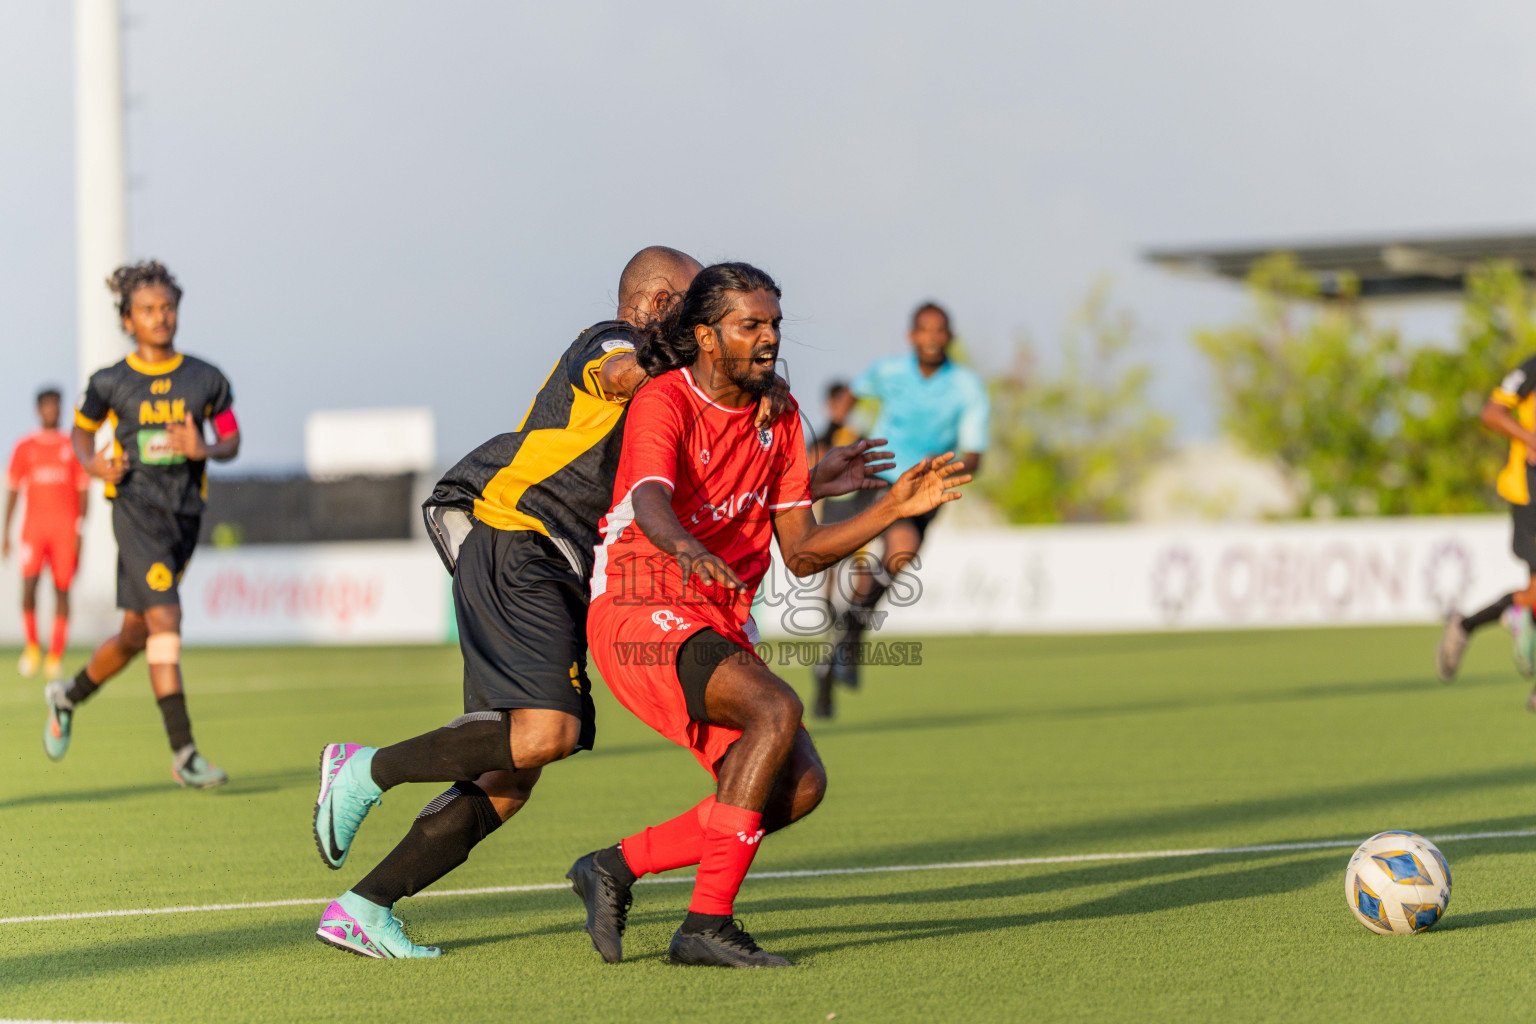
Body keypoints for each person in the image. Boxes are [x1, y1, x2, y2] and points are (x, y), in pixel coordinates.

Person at [309, 247, 889, 959]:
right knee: (547, 730)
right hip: (517, 528)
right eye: (690, 301)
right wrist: (690, 363)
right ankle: (364, 769)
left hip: (563, 559)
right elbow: (622, 372)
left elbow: (710, 481)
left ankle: (364, 905)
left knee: (513, 772)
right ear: (653, 307)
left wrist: (800, 474)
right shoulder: (611, 343)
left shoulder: (694, 396)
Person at [569, 262, 968, 968]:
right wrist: (687, 551)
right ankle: (705, 926)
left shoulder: (778, 419)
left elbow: (806, 552)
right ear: (705, 335)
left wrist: (890, 508)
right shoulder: (665, 400)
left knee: (799, 787)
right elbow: (652, 502)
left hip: (714, 615)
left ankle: (614, 866)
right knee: (776, 711)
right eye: (750, 325)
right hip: (639, 605)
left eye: (774, 325)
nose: (768, 338)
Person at [45, 261, 240, 787]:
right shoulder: (109, 383)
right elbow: (81, 437)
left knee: (136, 633)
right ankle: (185, 754)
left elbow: (231, 438)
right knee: (166, 619)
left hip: (184, 520)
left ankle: (67, 696)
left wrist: (207, 446)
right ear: (127, 320)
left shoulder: (206, 378)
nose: (161, 317)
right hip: (134, 513)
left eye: (168, 308)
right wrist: (92, 464)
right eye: (148, 310)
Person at [812, 301, 989, 716]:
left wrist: (947, 472)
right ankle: (843, 643)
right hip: (881, 474)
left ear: (949, 337)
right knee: (843, 560)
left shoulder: (967, 387)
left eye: (939, 330)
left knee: (900, 554)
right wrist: (839, 424)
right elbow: (850, 396)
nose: (931, 338)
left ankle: (844, 644)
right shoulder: (890, 371)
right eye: (923, 330)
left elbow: (975, 455)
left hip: (925, 486)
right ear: (912, 336)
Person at [1439, 353, 1536, 701]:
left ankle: (1471, 624)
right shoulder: (1531, 369)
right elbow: (1491, 413)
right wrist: (1529, 438)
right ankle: (1466, 625)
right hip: (1529, 492)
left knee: (1535, 597)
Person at [5, 387, 90, 680]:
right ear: (38, 409)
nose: (51, 410)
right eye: (46, 405)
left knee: (62, 590)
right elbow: (14, 490)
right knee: (28, 589)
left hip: (65, 529)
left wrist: (80, 528)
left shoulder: (72, 445)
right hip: (33, 529)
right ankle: (31, 647)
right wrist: (5, 531)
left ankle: (55, 654)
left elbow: (83, 492)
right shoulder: (24, 446)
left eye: (56, 404)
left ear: (61, 408)